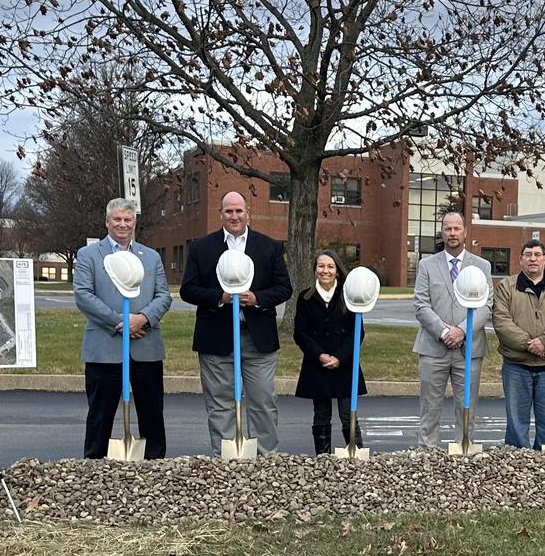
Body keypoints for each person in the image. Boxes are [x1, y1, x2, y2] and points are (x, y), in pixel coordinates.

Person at [180, 191, 292, 452]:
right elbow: (188, 290)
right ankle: (226, 460)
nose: (234, 216)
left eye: (239, 210)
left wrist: (257, 298)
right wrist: (220, 297)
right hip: (216, 338)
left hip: (258, 338)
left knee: (263, 401)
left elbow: (284, 288)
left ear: (247, 212)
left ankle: (265, 458)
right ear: (220, 213)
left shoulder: (269, 247)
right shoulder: (201, 248)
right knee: (221, 403)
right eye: (228, 211)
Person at [73, 197, 172, 459]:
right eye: (117, 219)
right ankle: (94, 465)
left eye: (128, 219)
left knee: (152, 413)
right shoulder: (88, 256)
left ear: (134, 223)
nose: (122, 224)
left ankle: (154, 464)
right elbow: (83, 295)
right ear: (107, 222)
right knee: (100, 414)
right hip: (104, 348)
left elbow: (163, 296)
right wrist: (120, 323)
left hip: (145, 346)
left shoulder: (151, 257)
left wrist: (143, 318)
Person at [411, 206, 492, 448]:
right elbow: (421, 305)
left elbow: (487, 306)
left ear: (465, 232)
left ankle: (463, 451)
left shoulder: (482, 266)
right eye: (448, 229)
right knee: (429, 408)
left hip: (469, 349)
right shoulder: (427, 265)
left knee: (467, 407)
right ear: (442, 232)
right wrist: (445, 332)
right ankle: (428, 453)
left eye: (457, 228)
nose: (452, 233)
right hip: (433, 348)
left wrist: (462, 330)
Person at [292, 249, 368, 453]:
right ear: (315, 270)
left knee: (348, 414)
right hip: (317, 365)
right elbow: (300, 333)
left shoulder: (349, 295)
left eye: (330, 266)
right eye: (321, 266)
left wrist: (340, 357)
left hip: (345, 364)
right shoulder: (305, 297)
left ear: (337, 271)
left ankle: (356, 456)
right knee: (321, 414)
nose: (325, 271)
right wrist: (320, 355)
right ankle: (323, 459)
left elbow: (357, 332)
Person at [491, 238, 545, 448]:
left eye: (537, 255)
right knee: (516, 424)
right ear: (521, 260)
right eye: (528, 255)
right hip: (517, 366)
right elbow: (501, 321)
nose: (533, 259)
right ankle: (518, 462)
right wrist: (529, 344)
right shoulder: (506, 287)